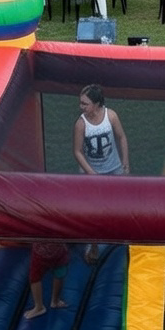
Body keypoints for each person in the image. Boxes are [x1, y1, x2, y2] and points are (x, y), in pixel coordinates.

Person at [73, 84, 130, 262]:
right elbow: (77, 151)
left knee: (121, 202)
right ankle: (93, 245)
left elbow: (121, 137)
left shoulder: (110, 116)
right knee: (92, 210)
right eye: (81, 103)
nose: (81, 107)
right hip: (92, 171)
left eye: (85, 103)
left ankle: (122, 236)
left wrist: (125, 161)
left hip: (113, 168)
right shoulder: (81, 124)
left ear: (97, 104)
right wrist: (90, 172)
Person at [24, 241, 70, 319]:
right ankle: (55, 301)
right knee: (59, 274)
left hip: (41, 254)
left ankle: (39, 307)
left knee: (35, 278)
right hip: (58, 252)